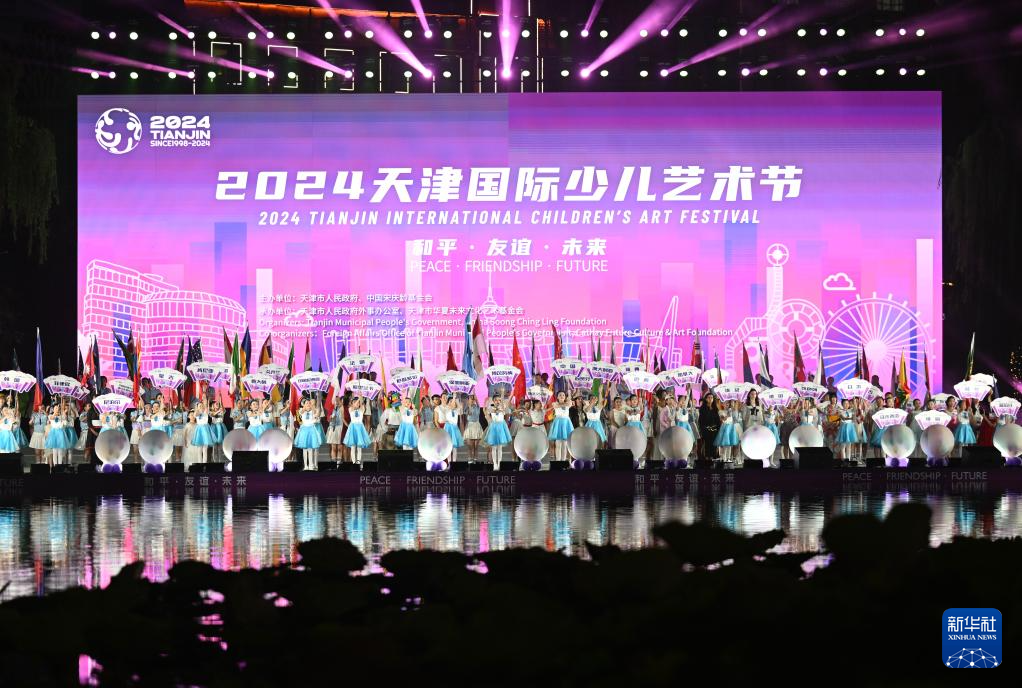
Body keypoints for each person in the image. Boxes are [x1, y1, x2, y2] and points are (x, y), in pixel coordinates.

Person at [294, 398, 324, 470]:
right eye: (307, 403)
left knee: (310, 448)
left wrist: (312, 407)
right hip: (304, 430)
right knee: (304, 449)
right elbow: (301, 412)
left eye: (309, 403)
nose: (308, 404)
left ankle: (311, 465)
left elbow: (317, 414)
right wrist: (305, 406)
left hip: (311, 430)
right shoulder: (301, 410)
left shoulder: (313, 411)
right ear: (304, 404)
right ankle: (305, 465)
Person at [484, 397, 513, 468]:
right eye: (496, 400)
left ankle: (499, 463)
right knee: (494, 447)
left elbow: (503, 409)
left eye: (499, 400)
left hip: (501, 428)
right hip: (494, 428)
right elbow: (487, 412)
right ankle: (494, 464)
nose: (498, 401)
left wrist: (502, 394)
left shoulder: (502, 407)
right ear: (493, 401)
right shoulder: (491, 408)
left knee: (500, 447)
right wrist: (488, 405)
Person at [343, 397, 372, 464]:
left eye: (358, 403)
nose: (357, 404)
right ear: (352, 403)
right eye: (355, 402)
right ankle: (353, 462)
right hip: (353, 428)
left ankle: (358, 462)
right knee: (353, 447)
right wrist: (358, 398)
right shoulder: (350, 409)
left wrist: (360, 398)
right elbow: (353, 406)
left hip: (360, 429)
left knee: (359, 447)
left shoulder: (362, 409)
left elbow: (362, 404)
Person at [548, 391, 573, 462]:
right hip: (558, 423)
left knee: (564, 444)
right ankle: (558, 462)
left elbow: (569, 403)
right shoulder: (554, 403)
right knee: (558, 444)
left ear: (565, 397)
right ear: (557, 397)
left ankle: (563, 461)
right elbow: (557, 406)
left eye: (563, 395)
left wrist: (568, 399)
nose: (562, 396)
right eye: (560, 395)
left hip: (566, 423)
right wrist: (565, 404)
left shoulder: (568, 403)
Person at [698, 393, 721, 459]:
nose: (710, 399)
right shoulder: (702, 408)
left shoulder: (715, 409)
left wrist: (718, 428)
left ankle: (713, 458)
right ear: (706, 399)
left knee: (714, 445)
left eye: (712, 397)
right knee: (707, 445)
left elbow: (717, 420)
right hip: (706, 429)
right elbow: (701, 420)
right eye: (709, 397)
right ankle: (707, 458)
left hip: (714, 429)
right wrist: (703, 429)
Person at [462, 395, 484, 461]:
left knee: (476, 446)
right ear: (468, 400)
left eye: (473, 399)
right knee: (470, 446)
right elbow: (469, 413)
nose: (472, 400)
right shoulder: (467, 408)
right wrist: (469, 405)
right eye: (471, 399)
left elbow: (477, 401)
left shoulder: (477, 407)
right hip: (470, 426)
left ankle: (475, 459)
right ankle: (470, 459)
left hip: (477, 426)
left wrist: (474, 395)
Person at [443, 397, 464, 463]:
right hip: (448, 428)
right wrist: (454, 397)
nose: (452, 403)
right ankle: (449, 462)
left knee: (454, 448)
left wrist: (456, 400)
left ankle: (454, 462)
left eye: (453, 402)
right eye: (450, 401)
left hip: (454, 429)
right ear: (448, 403)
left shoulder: (456, 410)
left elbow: (460, 408)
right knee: (448, 447)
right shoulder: (446, 408)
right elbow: (451, 407)